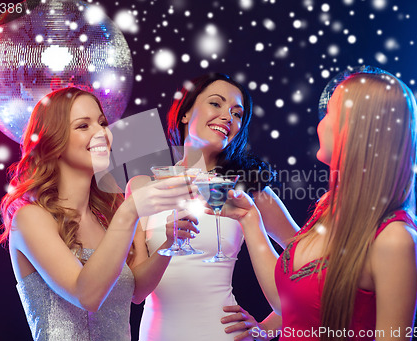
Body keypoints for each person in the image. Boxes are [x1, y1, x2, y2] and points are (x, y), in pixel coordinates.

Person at [218, 67, 417, 340]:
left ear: (359, 127)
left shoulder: (394, 238)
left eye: (330, 113)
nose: (320, 124)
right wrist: (249, 219)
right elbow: (288, 302)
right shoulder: (326, 207)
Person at [0, 87, 197, 340]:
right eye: (83, 126)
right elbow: (86, 295)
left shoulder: (108, 213)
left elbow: (137, 291)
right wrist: (130, 210)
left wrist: (170, 243)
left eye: (102, 123)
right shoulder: (30, 218)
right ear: (52, 142)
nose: (102, 133)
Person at [127, 73, 299, 340]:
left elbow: (313, 264)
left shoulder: (247, 192)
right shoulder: (142, 187)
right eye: (216, 104)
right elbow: (137, 293)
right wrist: (168, 244)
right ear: (185, 113)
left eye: (237, 113)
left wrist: (268, 327)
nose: (228, 117)